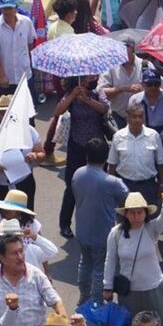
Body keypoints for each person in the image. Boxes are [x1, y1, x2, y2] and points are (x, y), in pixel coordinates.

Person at [102, 192, 163, 326]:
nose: (136, 216)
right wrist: (107, 287)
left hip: (153, 288)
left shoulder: (152, 228)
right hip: (129, 293)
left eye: (139, 212)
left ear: (145, 213)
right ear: (126, 214)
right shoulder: (116, 233)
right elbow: (110, 260)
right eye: (132, 212)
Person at [54, 75, 111, 238]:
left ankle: (98, 222)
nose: (91, 79)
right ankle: (65, 223)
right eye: (87, 77)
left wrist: (87, 100)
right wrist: (72, 96)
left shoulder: (97, 92)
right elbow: (58, 111)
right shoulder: (71, 93)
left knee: (99, 185)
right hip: (77, 144)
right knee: (71, 186)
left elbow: (105, 108)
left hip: (97, 146)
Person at [72, 138, 128, 307]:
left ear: (87, 155)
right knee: (99, 269)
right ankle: (96, 301)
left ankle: (83, 295)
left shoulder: (78, 173)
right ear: (106, 157)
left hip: (82, 229)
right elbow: (127, 198)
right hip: (102, 232)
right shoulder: (112, 182)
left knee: (85, 262)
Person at [0, 94, 43, 219]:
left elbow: (42, 153)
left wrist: (34, 155)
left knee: (25, 219)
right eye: (3, 113)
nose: (6, 117)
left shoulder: (28, 131)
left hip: (23, 184)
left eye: (10, 113)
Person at [128, 69, 163, 197]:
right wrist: (146, 137)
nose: (153, 88)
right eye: (149, 84)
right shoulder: (135, 99)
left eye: (156, 84)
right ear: (143, 85)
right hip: (143, 137)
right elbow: (131, 120)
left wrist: (161, 137)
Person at [108, 103, 163, 207]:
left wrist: (161, 184)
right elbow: (112, 165)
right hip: (125, 185)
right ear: (128, 118)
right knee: (124, 219)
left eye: (140, 116)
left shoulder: (153, 136)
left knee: (149, 219)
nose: (138, 120)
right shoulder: (118, 137)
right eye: (134, 116)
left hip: (148, 186)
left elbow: (161, 162)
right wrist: (112, 186)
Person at [0, 0, 36, 96]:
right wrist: (2, 75)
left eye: (10, 8)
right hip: (7, 78)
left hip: (25, 75)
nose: (7, 12)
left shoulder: (26, 22)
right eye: (4, 9)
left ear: (16, 8)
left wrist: (31, 64)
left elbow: (30, 44)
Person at [98, 39, 148, 127]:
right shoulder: (111, 66)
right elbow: (101, 92)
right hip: (118, 117)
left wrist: (144, 89)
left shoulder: (146, 65)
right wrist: (122, 88)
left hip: (142, 117)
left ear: (132, 50)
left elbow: (158, 90)